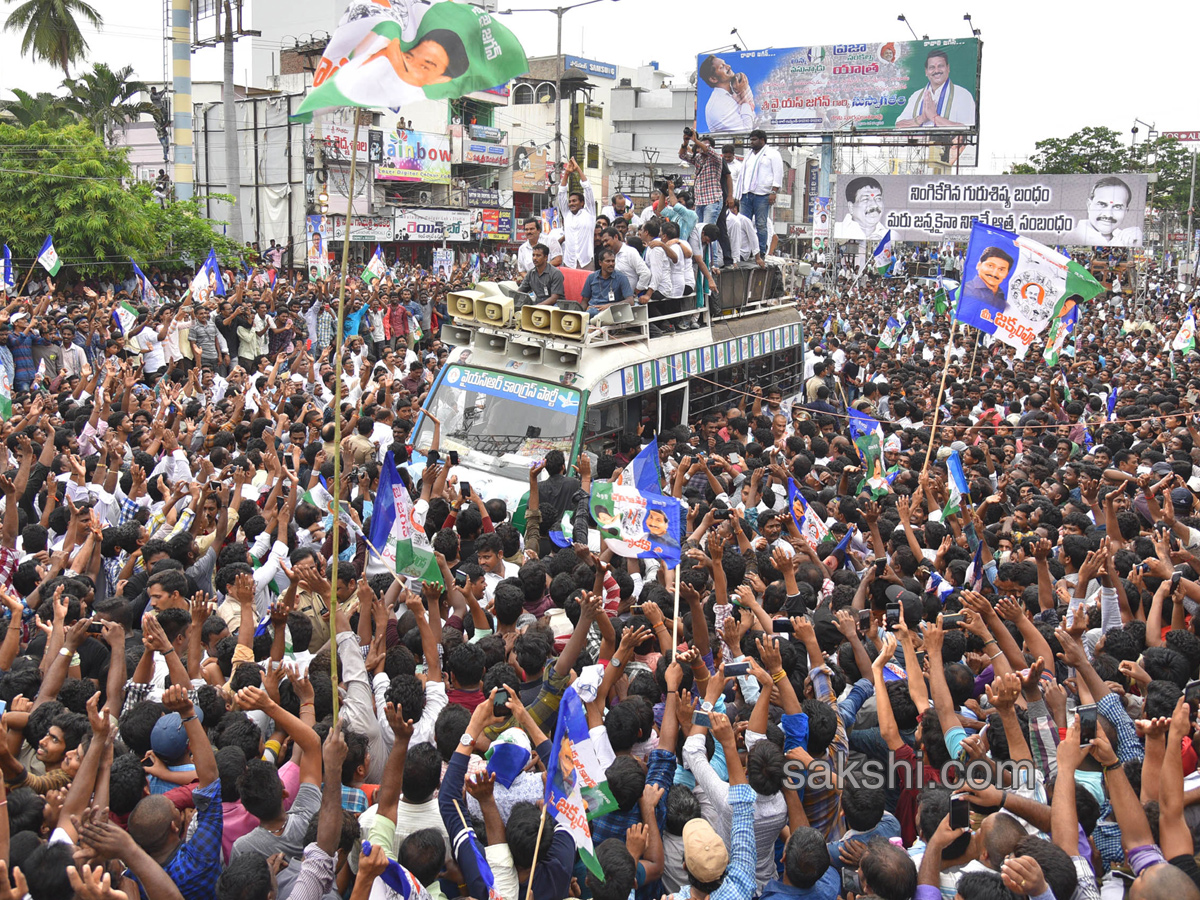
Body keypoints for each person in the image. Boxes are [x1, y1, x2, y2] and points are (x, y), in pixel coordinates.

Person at [896, 49, 977, 128]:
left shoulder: (962, 94)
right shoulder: (916, 96)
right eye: (932, 67)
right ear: (926, 72)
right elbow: (898, 125)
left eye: (940, 66)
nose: (936, 70)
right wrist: (922, 118)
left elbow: (967, 128)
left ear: (948, 68)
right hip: (920, 141)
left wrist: (934, 117)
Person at [733, 130, 782, 259]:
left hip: (763, 194)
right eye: (750, 140)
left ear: (762, 140)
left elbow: (778, 173)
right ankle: (744, 251)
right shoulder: (749, 156)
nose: (751, 142)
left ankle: (760, 252)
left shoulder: (772, 154)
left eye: (754, 140)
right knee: (743, 223)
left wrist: (773, 192)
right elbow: (743, 175)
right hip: (746, 194)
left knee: (761, 224)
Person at [1072, 177, 1144, 247]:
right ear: (1089, 205)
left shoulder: (1128, 237)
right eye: (1102, 204)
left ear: (1126, 211)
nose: (1108, 214)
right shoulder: (1072, 237)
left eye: (1117, 207)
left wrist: (1136, 242)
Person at [555, 157, 597, 269]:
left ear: (582, 203)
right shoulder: (567, 214)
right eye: (569, 201)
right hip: (569, 262)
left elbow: (588, 189)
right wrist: (566, 174)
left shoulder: (590, 213)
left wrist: (578, 169)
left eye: (574, 201)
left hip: (586, 262)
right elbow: (561, 194)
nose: (571, 203)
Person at [699, 54, 756, 132]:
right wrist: (743, 95)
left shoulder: (738, 86)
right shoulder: (716, 107)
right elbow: (746, 131)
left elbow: (752, 110)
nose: (728, 66)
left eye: (725, 63)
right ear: (713, 79)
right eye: (722, 67)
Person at [579, 249, 634, 317]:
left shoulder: (621, 277)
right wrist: (580, 313)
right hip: (592, 310)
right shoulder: (591, 277)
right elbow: (585, 301)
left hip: (611, 311)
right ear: (600, 263)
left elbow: (630, 301)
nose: (611, 264)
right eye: (608, 261)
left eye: (613, 261)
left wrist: (609, 306)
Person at [960, 246, 1014, 313]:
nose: (994, 273)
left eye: (1001, 269)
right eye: (990, 266)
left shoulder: (1004, 300)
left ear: (1006, 274)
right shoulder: (966, 291)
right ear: (978, 265)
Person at [835, 177, 887, 241]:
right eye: (865, 199)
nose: (874, 205)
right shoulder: (838, 230)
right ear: (851, 207)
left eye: (878, 199)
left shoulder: (890, 234)